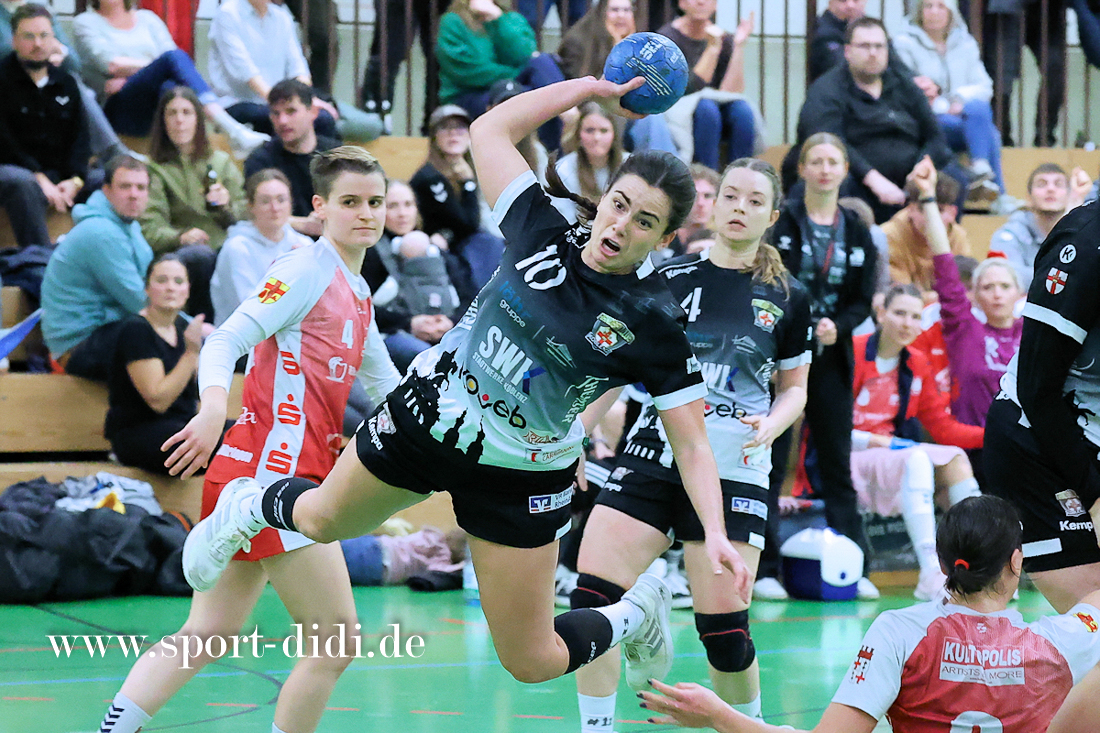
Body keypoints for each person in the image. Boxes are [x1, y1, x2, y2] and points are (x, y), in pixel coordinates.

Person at [173, 77, 752, 694]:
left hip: (521, 476)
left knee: (532, 661)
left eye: (644, 221)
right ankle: (250, 505)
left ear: (663, 239)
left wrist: (715, 533)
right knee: (317, 519)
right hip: (430, 415)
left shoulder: (655, 322)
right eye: (618, 203)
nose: (620, 225)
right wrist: (591, 88)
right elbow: (490, 128)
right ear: (603, 196)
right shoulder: (541, 225)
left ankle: (634, 613)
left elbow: (692, 444)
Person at [92, 146, 403, 733]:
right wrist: (213, 409)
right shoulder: (303, 270)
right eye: (350, 202)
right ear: (320, 207)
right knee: (335, 641)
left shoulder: (358, 293)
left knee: (207, 634)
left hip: (266, 476)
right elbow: (222, 341)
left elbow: (389, 388)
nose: (366, 213)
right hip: (273, 477)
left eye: (375, 202)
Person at [571, 157, 811, 733]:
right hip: (652, 456)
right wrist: (575, 436)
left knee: (725, 637)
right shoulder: (667, 277)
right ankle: (595, 727)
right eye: (731, 195)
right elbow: (617, 369)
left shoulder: (788, 295)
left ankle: (748, 727)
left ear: (772, 217)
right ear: (712, 203)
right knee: (590, 602)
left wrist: (773, 423)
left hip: (734, 470)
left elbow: (796, 389)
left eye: (755, 201)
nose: (739, 208)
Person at [638, 495, 1100, 733]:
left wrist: (720, 716)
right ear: (1017, 562)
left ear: (941, 565)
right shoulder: (1066, 639)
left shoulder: (898, 632)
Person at [771, 132, 880, 598]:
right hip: (780, 355)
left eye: (833, 161)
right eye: (816, 161)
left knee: (836, 459)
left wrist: (841, 325)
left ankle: (857, 566)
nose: (824, 169)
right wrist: (793, 326)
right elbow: (768, 283)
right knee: (771, 456)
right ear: (802, 169)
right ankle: (763, 569)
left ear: (844, 170)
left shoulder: (856, 229)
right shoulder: (782, 221)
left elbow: (863, 299)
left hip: (832, 356)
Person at [984, 190, 1100, 614]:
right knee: (1095, 627)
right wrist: (1095, 495)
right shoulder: (1085, 245)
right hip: (1038, 443)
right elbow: (1038, 390)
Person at [851, 281, 984, 599]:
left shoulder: (916, 361)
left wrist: (995, 436)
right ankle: (930, 573)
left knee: (954, 457)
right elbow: (825, 427)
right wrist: (880, 443)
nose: (907, 323)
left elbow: (942, 427)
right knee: (917, 459)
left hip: (890, 452)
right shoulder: (852, 350)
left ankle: (981, 565)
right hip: (849, 450)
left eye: (915, 317)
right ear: (881, 313)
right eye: (899, 313)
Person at [787, 17, 952, 224]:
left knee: (953, 177)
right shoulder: (826, 90)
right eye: (864, 46)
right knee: (832, 179)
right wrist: (873, 179)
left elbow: (935, 137)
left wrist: (921, 168)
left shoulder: (905, 85)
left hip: (910, 180)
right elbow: (829, 142)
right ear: (847, 51)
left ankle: (940, 244)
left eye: (879, 46)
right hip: (858, 180)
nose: (873, 53)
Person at [70, 0, 266, 154]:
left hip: (158, 101)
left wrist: (136, 73)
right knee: (172, 62)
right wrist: (156, 66)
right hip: (120, 108)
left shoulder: (148, 19)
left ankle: (227, 134)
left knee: (171, 84)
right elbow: (111, 64)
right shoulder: (85, 22)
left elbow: (174, 63)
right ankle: (231, 129)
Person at [40, 155, 153, 381]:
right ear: (107, 191)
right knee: (157, 338)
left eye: (141, 187)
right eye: (125, 186)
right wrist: (191, 328)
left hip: (105, 330)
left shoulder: (128, 227)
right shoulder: (101, 233)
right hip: (76, 345)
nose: (134, 194)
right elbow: (137, 300)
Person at [141, 87, 248, 320]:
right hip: (183, 252)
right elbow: (150, 227)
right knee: (200, 256)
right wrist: (181, 237)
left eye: (186, 112)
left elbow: (248, 210)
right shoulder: (153, 168)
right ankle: (204, 329)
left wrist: (226, 206)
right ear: (163, 122)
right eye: (172, 113)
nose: (179, 120)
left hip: (227, 245)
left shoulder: (220, 161)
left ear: (198, 120)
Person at [207, 0, 380, 143]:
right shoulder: (228, 14)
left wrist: (305, 101)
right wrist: (289, 106)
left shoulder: (281, 17)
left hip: (283, 100)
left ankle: (323, 170)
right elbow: (246, 73)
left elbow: (298, 68)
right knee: (304, 120)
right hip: (239, 103)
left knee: (331, 120)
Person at [892, 0, 1007, 209]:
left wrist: (959, 100)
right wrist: (945, 106)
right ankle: (997, 192)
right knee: (989, 133)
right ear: (919, 12)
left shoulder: (965, 43)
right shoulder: (904, 43)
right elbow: (909, 88)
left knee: (979, 109)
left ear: (951, 12)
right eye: (928, 6)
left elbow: (984, 86)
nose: (934, 12)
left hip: (962, 118)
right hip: (927, 118)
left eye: (940, 6)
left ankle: (981, 170)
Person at [0, 3, 90, 250]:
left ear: (54, 40)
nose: (37, 44)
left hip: (58, 175)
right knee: (22, 182)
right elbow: (4, 143)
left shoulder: (67, 83)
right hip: (13, 171)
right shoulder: (2, 81)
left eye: (44, 36)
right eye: (29, 37)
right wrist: (37, 176)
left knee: (106, 178)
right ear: (14, 41)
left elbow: (81, 139)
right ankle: (41, 262)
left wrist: (75, 180)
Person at [106, 254, 205, 474]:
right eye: (161, 280)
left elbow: (197, 394)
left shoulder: (184, 328)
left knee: (243, 433)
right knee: (209, 444)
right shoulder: (136, 329)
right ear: (147, 289)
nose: (170, 288)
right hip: (139, 432)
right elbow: (158, 400)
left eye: (178, 281)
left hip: (180, 425)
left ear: (188, 290)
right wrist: (191, 354)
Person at [435, 0, 565, 150]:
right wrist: (514, 74)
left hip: (512, 86)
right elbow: (468, 70)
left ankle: (564, 111)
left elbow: (524, 54)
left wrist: (498, 19)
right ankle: (563, 114)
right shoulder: (452, 21)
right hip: (470, 93)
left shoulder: (511, 18)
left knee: (541, 62)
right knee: (534, 101)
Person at [555, 0, 677, 155]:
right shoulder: (578, 41)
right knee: (650, 119)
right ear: (601, 13)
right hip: (594, 108)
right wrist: (618, 50)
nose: (621, 15)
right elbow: (587, 87)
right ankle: (663, 167)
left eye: (626, 10)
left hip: (628, 109)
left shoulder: (640, 44)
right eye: (614, 10)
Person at [363, 179, 459, 372]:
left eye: (408, 204)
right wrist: (409, 323)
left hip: (446, 329)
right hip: (392, 334)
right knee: (430, 360)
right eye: (392, 206)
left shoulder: (435, 250)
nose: (402, 213)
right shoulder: (368, 252)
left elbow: (468, 293)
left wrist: (451, 322)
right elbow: (361, 309)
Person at [410, 104, 504, 294]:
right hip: (437, 248)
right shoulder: (430, 176)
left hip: (457, 244)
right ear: (434, 136)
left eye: (460, 128)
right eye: (445, 128)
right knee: (485, 243)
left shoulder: (477, 167)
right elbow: (467, 224)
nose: (453, 134)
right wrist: (468, 184)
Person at [657, 1, 755, 171]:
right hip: (679, 109)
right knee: (706, 109)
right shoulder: (667, 38)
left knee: (743, 110)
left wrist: (738, 46)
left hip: (715, 110)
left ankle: (741, 173)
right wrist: (712, 49)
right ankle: (707, 177)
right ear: (681, 3)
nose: (701, 2)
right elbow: (688, 88)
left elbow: (732, 93)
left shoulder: (724, 38)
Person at [209, 168, 312, 326]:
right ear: (251, 206)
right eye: (265, 201)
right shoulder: (238, 248)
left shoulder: (304, 244)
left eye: (281, 200)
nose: (275, 208)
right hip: (247, 337)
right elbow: (254, 311)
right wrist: (287, 274)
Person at [244, 79, 341, 238]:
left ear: (313, 112)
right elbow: (253, 214)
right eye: (276, 114)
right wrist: (303, 224)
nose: (283, 121)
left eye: (291, 111)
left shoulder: (338, 155)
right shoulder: (260, 161)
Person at [989, 163, 1093, 290]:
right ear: (1028, 197)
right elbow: (1009, 277)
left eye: (1058, 184)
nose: (1050, 189)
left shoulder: (1082, 233)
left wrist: (1075, 207)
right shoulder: (1009, 234)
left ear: (1068, 195)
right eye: (1041, 184)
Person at [979, 0, 1066, 147]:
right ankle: (1002, 139)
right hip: (1006, 9)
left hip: (1048, 12)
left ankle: (1044, 137)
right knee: (1001, 78)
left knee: (1056, 70)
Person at [883, 173, 969, 294]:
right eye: (922, 209)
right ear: (910, 209)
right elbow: (903, 294)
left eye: (939, 210)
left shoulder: (959, 236)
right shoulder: (888, 236)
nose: (930, 217)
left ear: (953, 213)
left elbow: (963, 288)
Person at [552, 102, 626, 225]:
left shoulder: (631, 166)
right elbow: (562, 221)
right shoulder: (562, 171)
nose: (597, 137)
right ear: (578, 135)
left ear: (614, 135)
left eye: (604, 131)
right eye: (589, 130)